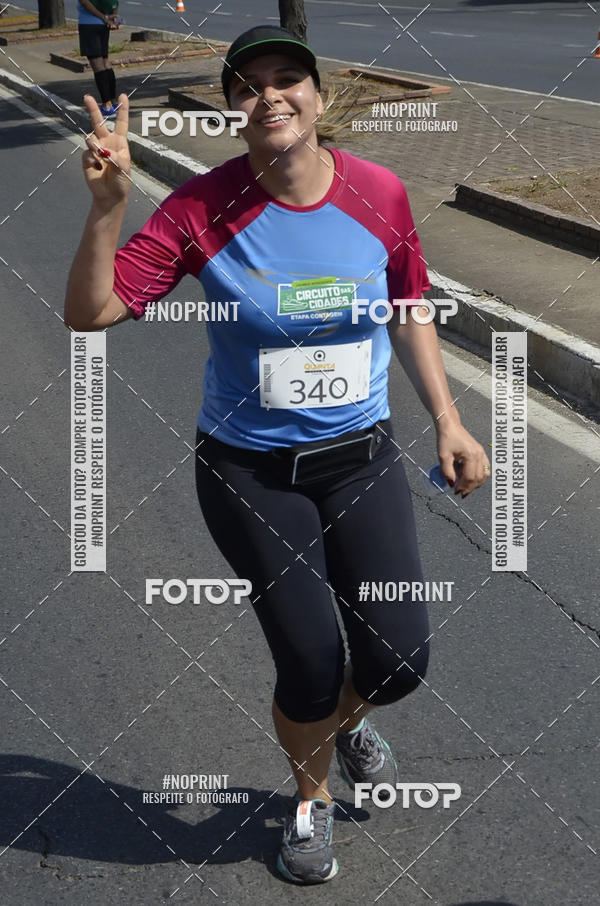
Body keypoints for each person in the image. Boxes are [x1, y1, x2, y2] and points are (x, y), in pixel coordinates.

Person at [64, 25, 490, 886]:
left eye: (287, 77)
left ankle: (349, 722)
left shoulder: (379, 192)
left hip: (360, 459)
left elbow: (408, 304)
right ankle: (311, 798)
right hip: (251, 472)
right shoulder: (201, 209)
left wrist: (448, 420)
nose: (269, 94)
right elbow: (91, 314)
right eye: (247, 84)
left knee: (397, 661)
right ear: (233, 108)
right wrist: (108, 207)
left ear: (318, 97)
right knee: (310, 662)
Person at [77, 0, 120, 118]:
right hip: (103, 26)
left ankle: (107, 107)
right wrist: (112, 18)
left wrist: (104, 17)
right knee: (105, 61)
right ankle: (113, 102)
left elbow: (85, 2)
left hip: (88, 24)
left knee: (97, 63)